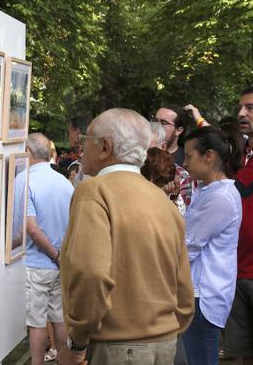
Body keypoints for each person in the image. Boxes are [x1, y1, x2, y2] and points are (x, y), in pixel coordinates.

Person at [58, 108, 194, 365]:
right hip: (166, 344)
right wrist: (169, 327)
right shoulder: (162, 199)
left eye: (87, 140)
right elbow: (183, 284)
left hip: (117, 346)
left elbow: (90, 273)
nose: (81, 147)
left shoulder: (94, 191)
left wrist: (77, 342)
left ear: (106, 147)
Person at [185, 88, 253, 365]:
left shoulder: (221, 193)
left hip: (221, 277)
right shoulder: (239, 154)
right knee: (238, 351)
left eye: (249, 107)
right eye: (240, 107)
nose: (241, 114)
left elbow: (189, 244)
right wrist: (200, 122)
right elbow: (216, 143)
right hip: (235, 270)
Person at [181, 126, 243, 365]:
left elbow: (188, 247)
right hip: (199, 291)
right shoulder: (208, 190)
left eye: (189, 156)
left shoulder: (220, 196)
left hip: (203, 294)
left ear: (209, 156)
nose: (185, 162)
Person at [23, 133, 74, 365]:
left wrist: (54, 255)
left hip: (39, 263)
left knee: (37, 323)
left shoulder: (26, 181)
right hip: (61, 263)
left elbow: (31, 229)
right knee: (59, 319)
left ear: (28, 152)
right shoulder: (65, 183)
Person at [68, 116, 91, 186]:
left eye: (68, 133)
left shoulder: (87, 161)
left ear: (77, 132)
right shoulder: (98, 157)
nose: (68, 137)